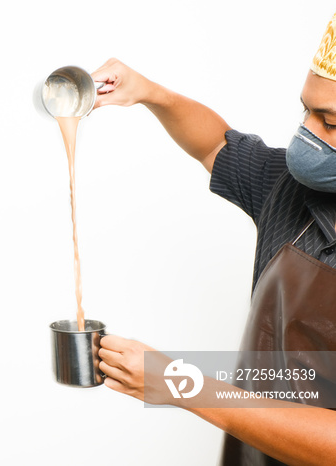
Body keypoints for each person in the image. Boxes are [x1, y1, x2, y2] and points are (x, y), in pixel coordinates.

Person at [91, 12, 336, 466]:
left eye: (331, 123)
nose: (307, 135)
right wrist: (149, 93)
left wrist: (181, 384)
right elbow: (213, 146)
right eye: (306, 110)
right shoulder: (288, 189)